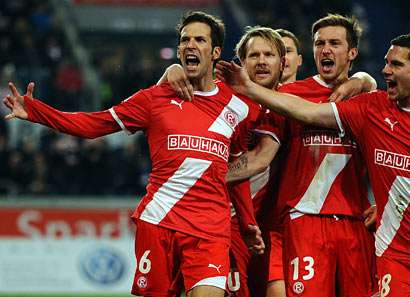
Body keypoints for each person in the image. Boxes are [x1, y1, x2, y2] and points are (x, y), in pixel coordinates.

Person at [216, 32, 410, 297]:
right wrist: (250, 90)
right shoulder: (370, 108)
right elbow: (307, 112)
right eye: (385, 63)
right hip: (389, 254)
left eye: (395, 65)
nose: (385, 70)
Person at [4, 11, 264, 297]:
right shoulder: (153, 99)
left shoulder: (238, 108)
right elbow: (93, 125)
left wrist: (248, 222)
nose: (190, 45)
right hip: (160, 221)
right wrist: (38, 112)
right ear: (178, 49)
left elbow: (237, 171)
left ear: (215, 52)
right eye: (185, 39)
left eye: (199, 39)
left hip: (210, 230)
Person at [223, 14, 378, 297]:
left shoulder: (369, 99)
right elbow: (260, 157)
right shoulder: (289, 95)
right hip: (304, 220)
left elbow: (389, 156)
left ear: (352, 52)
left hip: (356, 224)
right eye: (320, 43)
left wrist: (363, 80)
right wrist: (209, 174)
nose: (325, 50)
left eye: (334, 43)